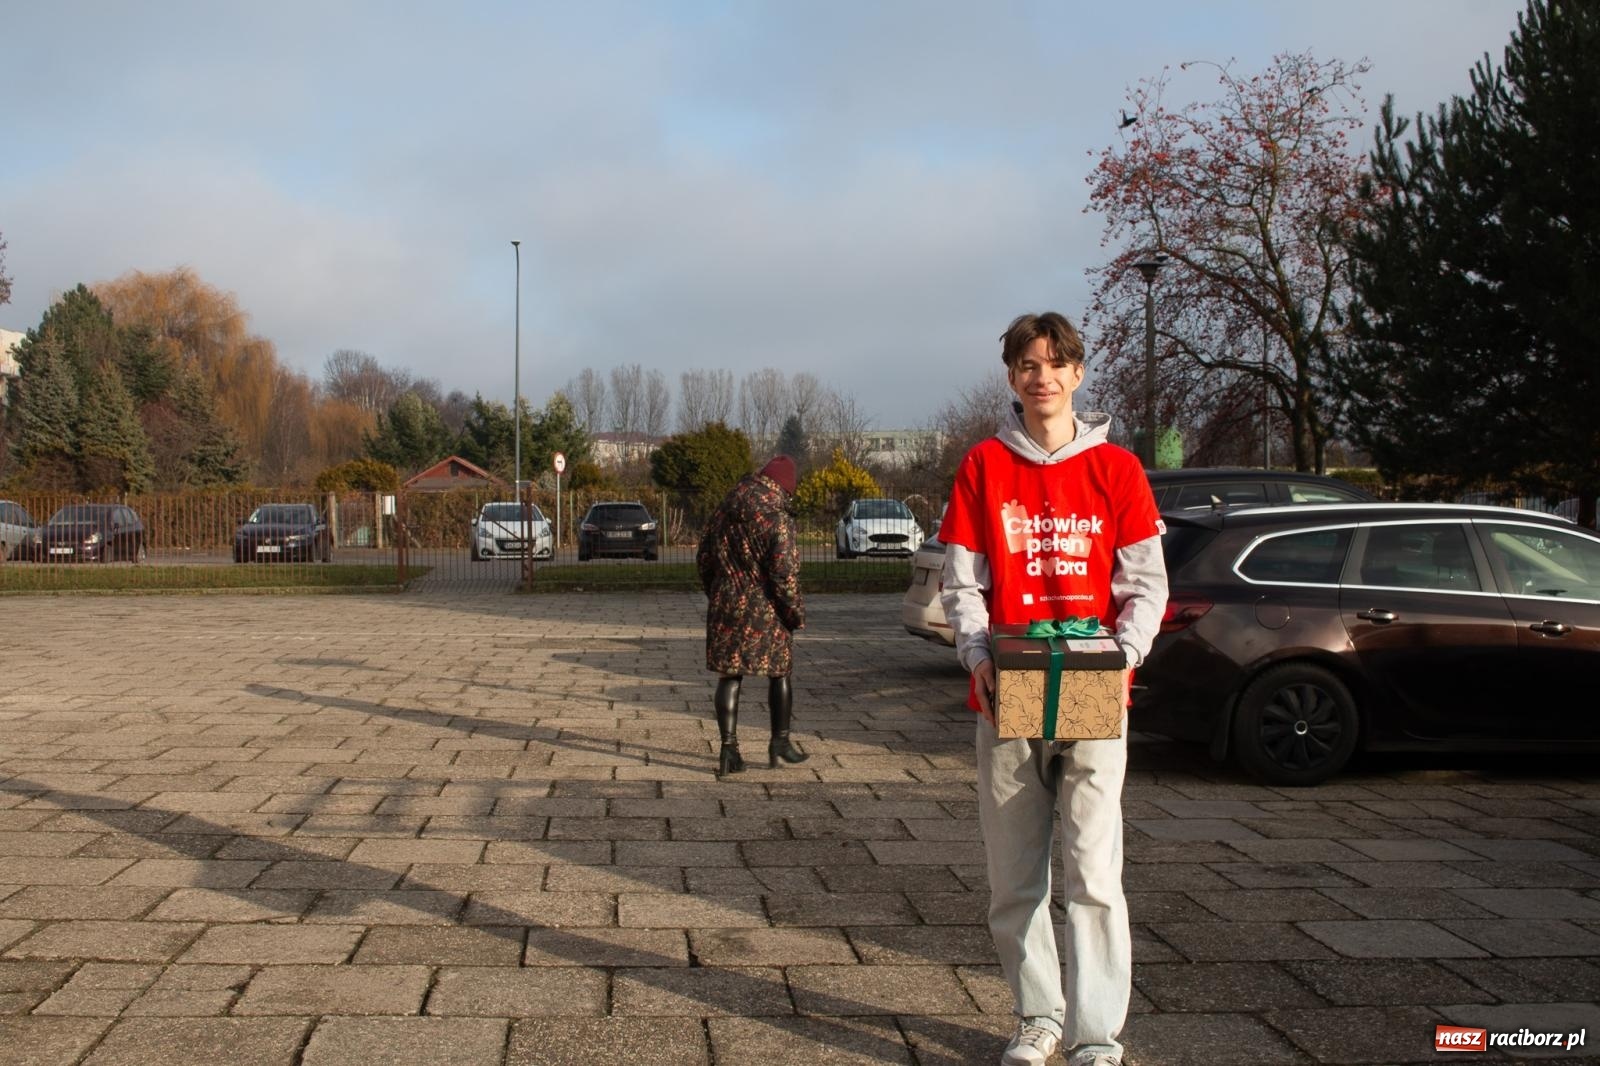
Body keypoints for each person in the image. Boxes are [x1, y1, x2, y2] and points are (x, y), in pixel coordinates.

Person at [938, 312, 1168, 1066]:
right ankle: (1038, 1017)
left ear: (1076, 373)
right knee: (1016, 875)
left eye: (1054, 363)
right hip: (1008, 688)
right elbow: (963, 578)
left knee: (1095, 874)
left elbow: (1145, 584)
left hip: (1094, 692)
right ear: (1012, 377)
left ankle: (1096, 1034)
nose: (1041, 376)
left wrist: (1124, 656)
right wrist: (975, 654)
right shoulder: (982, 466)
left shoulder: (1119, 470)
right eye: (1027, 364)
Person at [696, 455, 808, 775]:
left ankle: (728, 750)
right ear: (786, 487)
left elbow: (704, 556)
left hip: (726, 602)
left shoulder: (726, 507)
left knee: (729, 675)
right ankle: (780, 742)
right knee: (780, 672)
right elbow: (784, 574)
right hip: (766, 609)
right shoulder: (778, 516)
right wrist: (794, 613)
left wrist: (718, 591)